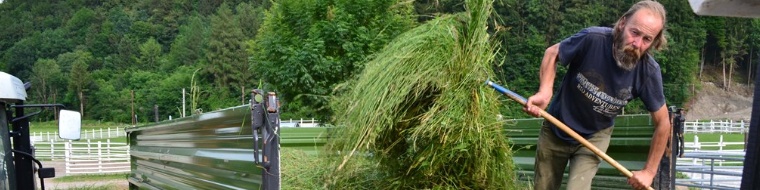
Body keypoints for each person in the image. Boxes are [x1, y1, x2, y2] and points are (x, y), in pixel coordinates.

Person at [522, 1, 671, 190]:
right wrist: (544, 92)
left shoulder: (648, 72)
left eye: (647, 39)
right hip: (556, 127)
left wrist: (649, 172)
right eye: (635, 33)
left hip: (594, 137)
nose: (637, 43)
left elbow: (664, 123)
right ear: (623, 23)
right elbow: (553, 53)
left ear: (655, 41)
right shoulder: (593, 39)